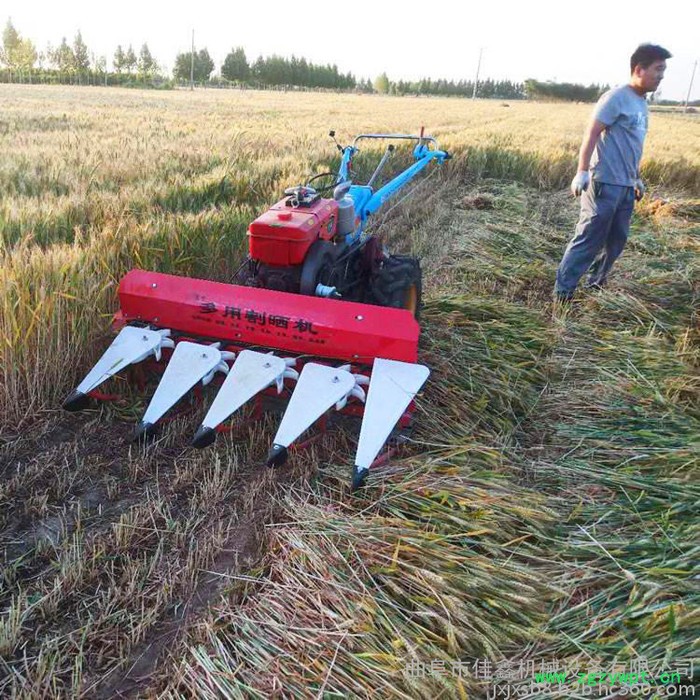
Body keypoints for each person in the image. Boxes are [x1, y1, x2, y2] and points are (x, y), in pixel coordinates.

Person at [554, 43, 672, 301]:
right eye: (658, 69)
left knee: (616, 241)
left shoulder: (641, 103)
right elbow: (592, 132)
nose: (662, 76)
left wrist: (636, 177)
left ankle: (594, 284)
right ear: (639, 69)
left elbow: (633, 145)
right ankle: (563, 292)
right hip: (603, 182)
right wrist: (582, 171)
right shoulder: (616, 97)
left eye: (664, 70)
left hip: (626, 186)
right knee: (588, 239)